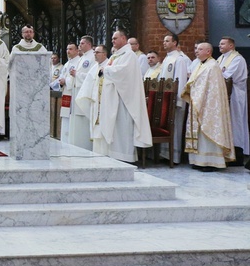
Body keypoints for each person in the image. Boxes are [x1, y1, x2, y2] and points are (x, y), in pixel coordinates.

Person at [90, 31, 152, 162]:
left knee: (122, 128)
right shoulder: (116, 56)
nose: (112, 40)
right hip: (113, 98)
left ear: (124, 38)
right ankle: (113, 155)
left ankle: (124, 157)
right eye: (112, 38)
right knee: (114, 128)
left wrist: (105, 70)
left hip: (124, 99)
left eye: (115, 38)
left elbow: (123, 72)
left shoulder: (129, 55)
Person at [182, 42, 235, 170]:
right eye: (197, 49)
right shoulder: (200, 65)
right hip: (199, 102)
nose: (197, 51)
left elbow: (213, 88)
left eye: (200, 49)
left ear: (208, 52)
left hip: (209, 105)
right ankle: (198, 160)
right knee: (199, 133)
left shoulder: (212, 66)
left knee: (208, 130)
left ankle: (211, 162)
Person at [159, 33, 190, 163]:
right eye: (164, 41)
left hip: (175, 100)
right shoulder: (167, 58)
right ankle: (166, 154)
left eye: (167, 41)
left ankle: (175, 156)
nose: (164, 43)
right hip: (166, 99)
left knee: (175, 126)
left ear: (175, 43)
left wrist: (178, 100)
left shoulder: (180, 59)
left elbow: (181, 80)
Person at [217, 36, 249, 165]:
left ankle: (237, 154)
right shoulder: (220, 59)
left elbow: (226, 76)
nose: (220, 46)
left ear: (231, 46)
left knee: (236, 123)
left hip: (235, 94)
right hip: (224, 94)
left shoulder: (237, 59)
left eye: (223, 44)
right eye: (219, 44)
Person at [75, 45, 109, 145]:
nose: (95, 54)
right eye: (94, 52)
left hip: (104, 103)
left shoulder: (109, 65)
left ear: (104, 54)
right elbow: (88, 82)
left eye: (97, 52)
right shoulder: (95, 67)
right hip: (95, 101)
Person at [67, 35, 95, 151]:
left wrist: (77, 74)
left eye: (82, 43)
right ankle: (76, 146)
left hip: (85, 94)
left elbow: (91, 76)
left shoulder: (92, 57)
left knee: (83, 120)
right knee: (76, 121)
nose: (80, 45)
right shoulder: (83, 57)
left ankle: (84, 146)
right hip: (76, 92)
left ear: (89, 44)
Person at [58, 42, 80, 143]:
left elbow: (73, 80)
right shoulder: (67, 63)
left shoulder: (78, 62)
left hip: (72, 94)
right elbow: (61, 76)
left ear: (77, 50)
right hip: (66, 93)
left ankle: (69, 141)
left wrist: (65, 81)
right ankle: (64, 140)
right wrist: (61, 82)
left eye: (71, 49)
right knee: (65, 117)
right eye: (67, 49)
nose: (68, 51)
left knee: (70, 117)